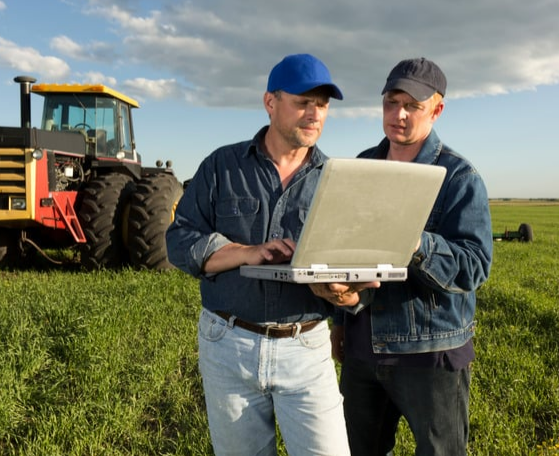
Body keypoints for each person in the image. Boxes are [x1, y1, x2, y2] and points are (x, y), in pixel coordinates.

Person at [166, 53, 374, 456]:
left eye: (323, 105)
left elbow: (352, 277)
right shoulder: (222, 167)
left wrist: (345, 295)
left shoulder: (337, 183)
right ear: (270, 102)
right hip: (228, 343)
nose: (314, 114)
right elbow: (179, 241)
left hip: (306, 347)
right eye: (303, 102)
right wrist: (247, 252)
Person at [329, 57, 493, 456]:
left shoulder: (459, 178)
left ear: (437, 110)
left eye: (412, 106)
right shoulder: (361, 167)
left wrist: (414, 241)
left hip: (430, 355)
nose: (398, 115)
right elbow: (339, 251)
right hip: (363, 352)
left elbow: (474, 266)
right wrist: (339, 321)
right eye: (390, 102)